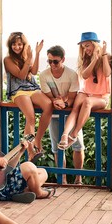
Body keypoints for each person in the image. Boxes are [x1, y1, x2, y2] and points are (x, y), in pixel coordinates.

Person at [0, 114, 56, 203]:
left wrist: (21, 150)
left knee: (43, 172)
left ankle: (24, 191)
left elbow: (8, 167)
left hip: (3, 183)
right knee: (29, 167)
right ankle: (39, 193)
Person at [4, 32, 53, 163]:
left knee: (48, 105)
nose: (17, 47)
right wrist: (28, 60)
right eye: (14, 44)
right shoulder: (8, 59)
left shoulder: (27, 56)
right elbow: (21, 75)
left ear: (24, 44)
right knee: (30, 117)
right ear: (10, 45)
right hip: (18, 91)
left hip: (31, 88)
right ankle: (31, 151)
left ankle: (38, 139)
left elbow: (35, 72)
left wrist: (36, 54)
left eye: (19, 44)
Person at [39, 45, 85, 185]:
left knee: (78, 146)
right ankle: (62, 179)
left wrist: (63, 102)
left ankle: (79, 178)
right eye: (49, 61)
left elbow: (72, 99)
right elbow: (48, 98)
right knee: (57, 148)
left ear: (63, 59)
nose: (52, 64)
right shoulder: (43, 75)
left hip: (71, 115)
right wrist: (56, 101)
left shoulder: (72, 74)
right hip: (54, 115)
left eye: (56, 61)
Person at [58, 32, 112, 150]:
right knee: (75, 108)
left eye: (87, 45)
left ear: (94, 44)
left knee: (87, 102)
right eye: (83, 46)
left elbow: (107, 73)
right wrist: (94, 60)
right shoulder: (85, 59)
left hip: (101, 97)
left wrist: (102, 56)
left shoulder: (106, 56)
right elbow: (85, 75)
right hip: (86, 91)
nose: (85, 49)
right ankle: (65, 134)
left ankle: (74, 134)